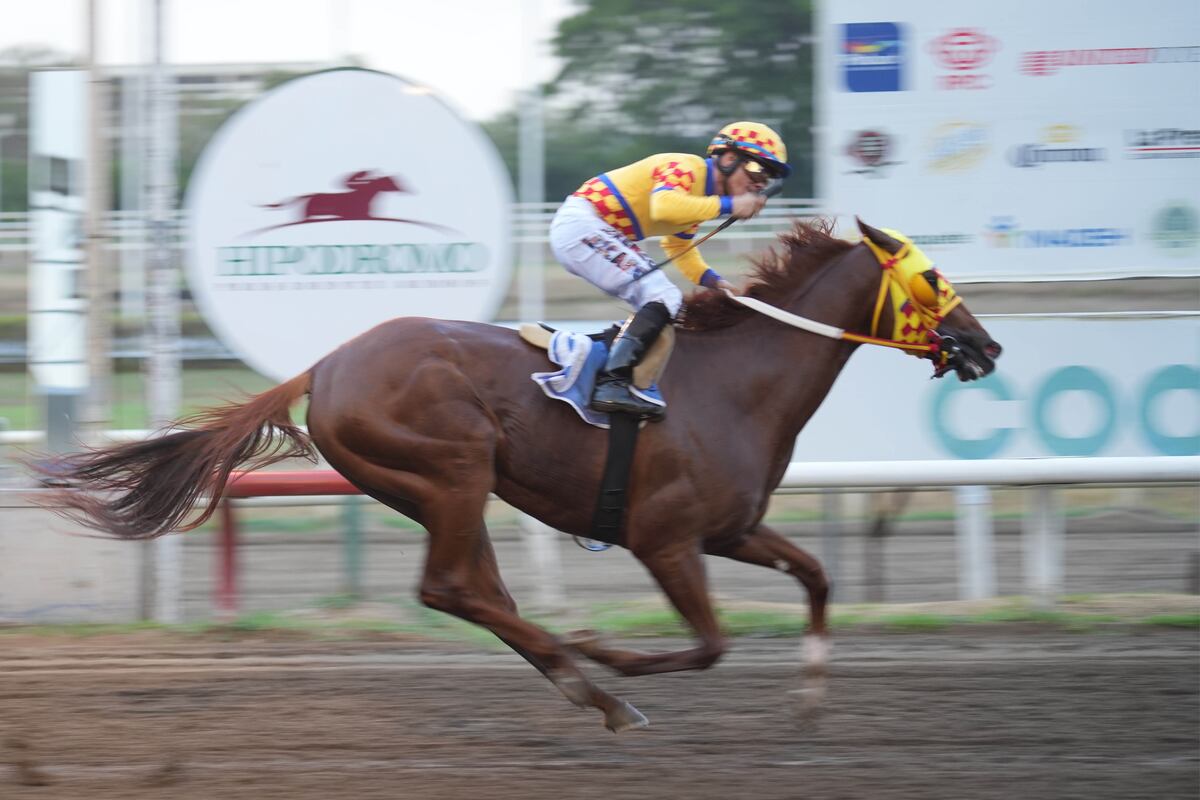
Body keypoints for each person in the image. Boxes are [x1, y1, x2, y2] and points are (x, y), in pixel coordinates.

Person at [548, 121, 790, 418]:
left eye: (767, 178)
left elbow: (678, 248)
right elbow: (664, 206)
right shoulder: (686, 167)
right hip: (584, 224)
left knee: (661, 301)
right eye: (756, 170)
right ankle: (612, 384)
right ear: (728, 159)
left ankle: (602, 360)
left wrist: (718, 283)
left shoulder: (697, 201)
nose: (759, 183)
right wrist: (730, 204)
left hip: (592, 229)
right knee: (663, 296)